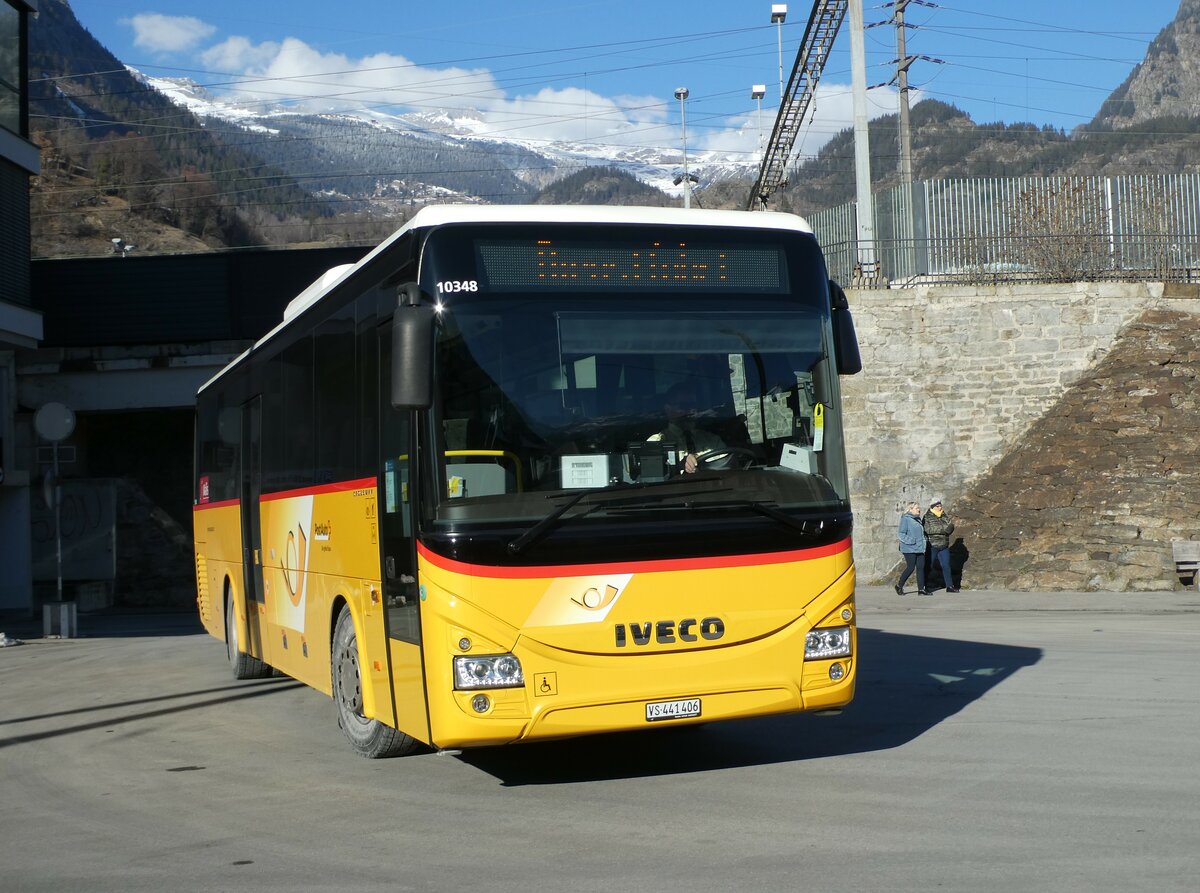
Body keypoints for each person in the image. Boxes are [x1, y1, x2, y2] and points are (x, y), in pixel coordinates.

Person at [648, 381, 728, 474]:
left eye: (693, 406)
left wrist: (698, 461)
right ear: (668, 409)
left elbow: (727, 467)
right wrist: (679, 465)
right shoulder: (657, 443)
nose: (691, 411)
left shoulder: (712, 441)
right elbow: (651, 475)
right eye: (684, 406)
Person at [923, 498, 959, 592]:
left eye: (940, 505)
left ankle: (949, 586)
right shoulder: (927, 517)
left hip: (944, 544)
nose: (940, 507)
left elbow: (950, 526)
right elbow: (927, 530)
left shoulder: (944, 515)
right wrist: (943, 530)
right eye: (937, 506)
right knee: (929, 565)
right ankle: (924, 586)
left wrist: (950, 528)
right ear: (932, 507)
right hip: (933, 545)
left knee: (946, 565)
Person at [895, 502, 929, 595]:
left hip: (920, 548)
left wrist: (924, 540)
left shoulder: (917, 519)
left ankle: (921, 590)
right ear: (910, 509)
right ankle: (899, 586)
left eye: (919, 508)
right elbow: (901, 533)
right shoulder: (905, 519)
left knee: (921, 567)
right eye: (916, 508)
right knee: (910, 567)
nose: (919, 509)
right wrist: (912, 541)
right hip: (909, 548)